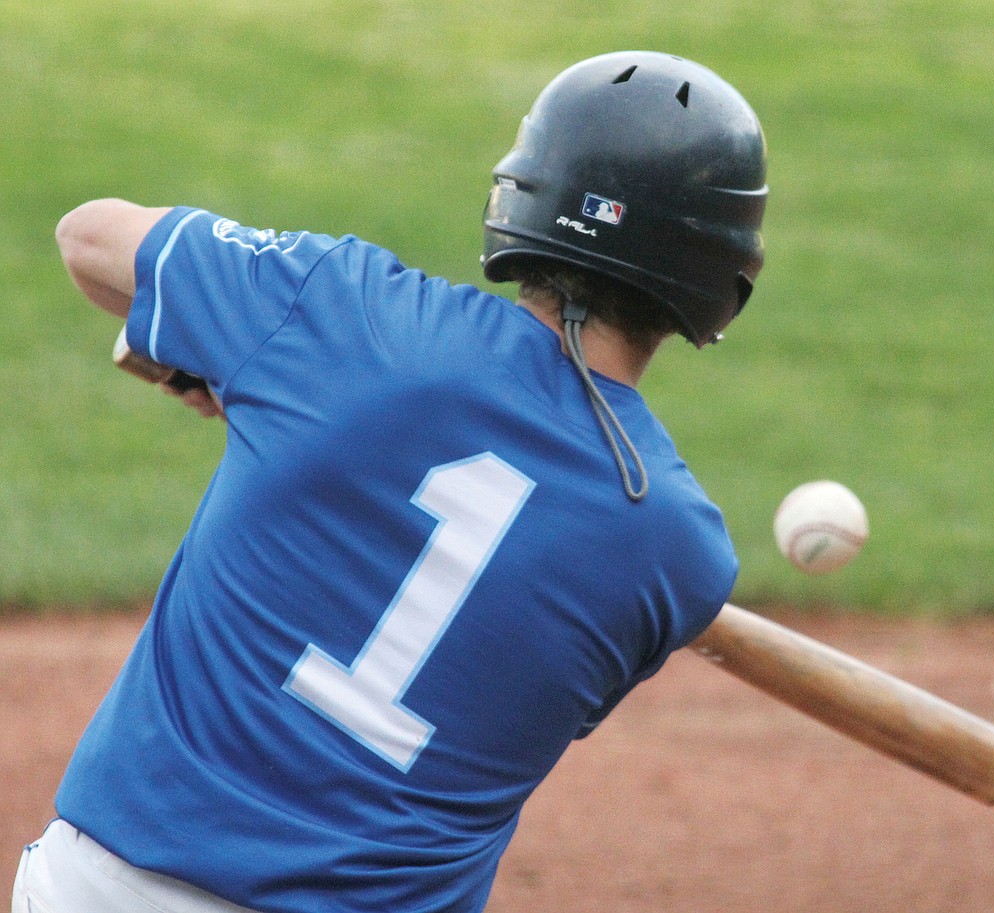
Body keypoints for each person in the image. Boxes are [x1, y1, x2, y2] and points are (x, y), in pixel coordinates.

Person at [16, 50, 767, 913]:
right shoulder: (678, 554)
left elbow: (91, 237)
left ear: (528, 187)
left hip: (108, 890)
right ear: (722, 275)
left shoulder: (344, 313)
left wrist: (266, 392)